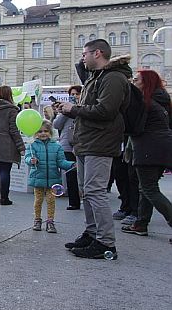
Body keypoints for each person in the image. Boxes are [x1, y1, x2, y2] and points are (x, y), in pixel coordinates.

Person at [56, 39, 131, 260]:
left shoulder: (114, 78)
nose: (82, 58)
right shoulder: (95, 78)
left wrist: (75, 108)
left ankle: (106, 242)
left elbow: (106, 110)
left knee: (96, 192)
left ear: (97, 53)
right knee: (86, 191)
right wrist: (70, 110)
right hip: (86, 141)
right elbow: (90, 109)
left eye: (84, 54)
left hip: (100, 142)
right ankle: (92, 233)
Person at [121, 70, 172, 238]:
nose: (134, 82)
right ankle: (141, 224)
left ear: (146, 83)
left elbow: (134, 127)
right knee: (146, 188)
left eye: (136, 80)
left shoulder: (146, 103)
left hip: (149, 149)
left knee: (149, 189)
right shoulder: (161, 101)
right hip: (160, 148)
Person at [25, 120, 75, 233]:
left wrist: (71, 164)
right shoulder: (32, 146)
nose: (43, 133)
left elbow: (61, 162)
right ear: (35, 133)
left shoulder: (57, 146)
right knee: (38, 200)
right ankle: (37, 220)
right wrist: (31, 160)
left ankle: (50, 221)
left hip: (53, 179)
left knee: (51, 200)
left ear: (51, 132)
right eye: (40, 131)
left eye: (46, 131)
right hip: (37, 178)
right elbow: (27, 158)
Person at [53, 85, 82, 210]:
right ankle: (73, 201)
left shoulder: (84, 107)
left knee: (83, 173)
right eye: (72, 94)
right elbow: (56, 125)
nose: (74, 96)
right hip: (67, 145)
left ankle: (85, 197)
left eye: (77, 94)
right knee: (70, 173)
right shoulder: (66, 109)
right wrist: (65, 112)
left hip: (81, 144)